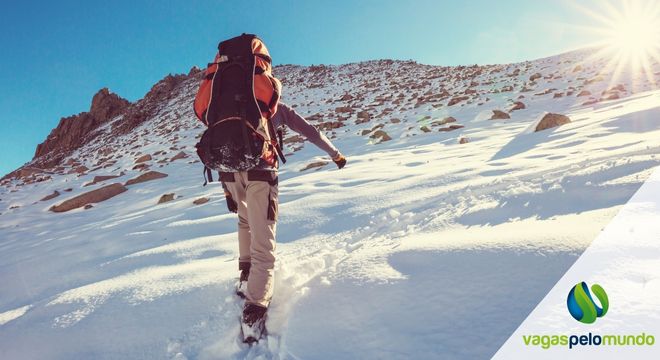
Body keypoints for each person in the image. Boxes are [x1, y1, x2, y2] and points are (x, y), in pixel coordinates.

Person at [220, 102, 346, 339]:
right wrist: (335, 154)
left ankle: (246, 277)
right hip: (260, 172)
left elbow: (219, 138)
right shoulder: (272, 104)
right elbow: (310, 131)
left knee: (245, 222)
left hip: (229, 172)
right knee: (264, 237)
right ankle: (254, 311)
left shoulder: (222, 100)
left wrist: (226, 190)